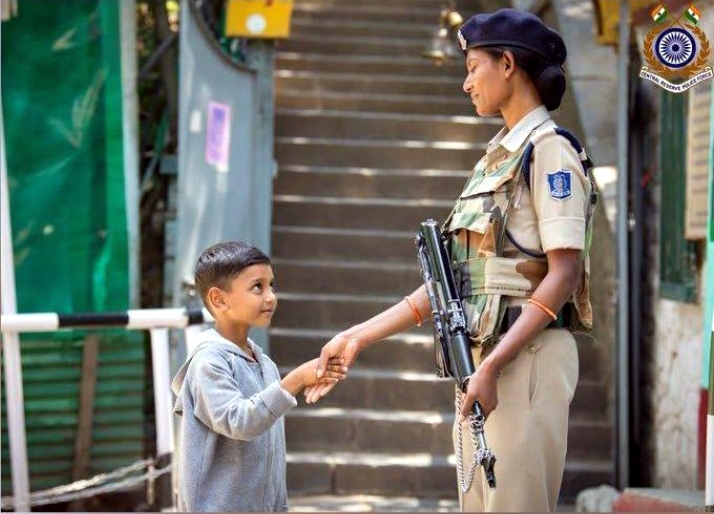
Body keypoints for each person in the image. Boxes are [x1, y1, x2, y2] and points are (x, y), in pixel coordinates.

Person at [304, 8, 596, 513]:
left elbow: (564, 273)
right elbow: (451, 280)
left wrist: (494, 366)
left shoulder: (549, 152)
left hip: (523, 359)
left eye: (472, 67)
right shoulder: (496, 158)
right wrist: (356, 337)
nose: (466, 84)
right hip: (482, 362)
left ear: (507, 64)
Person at [170, 241, 348, 512]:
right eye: (258, 287)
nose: (271, 297)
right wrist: (297, 380)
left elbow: (272, 456)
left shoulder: (265, 364)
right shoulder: (208, 362)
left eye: (271, 285)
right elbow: (240, 421)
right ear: (219, 299)